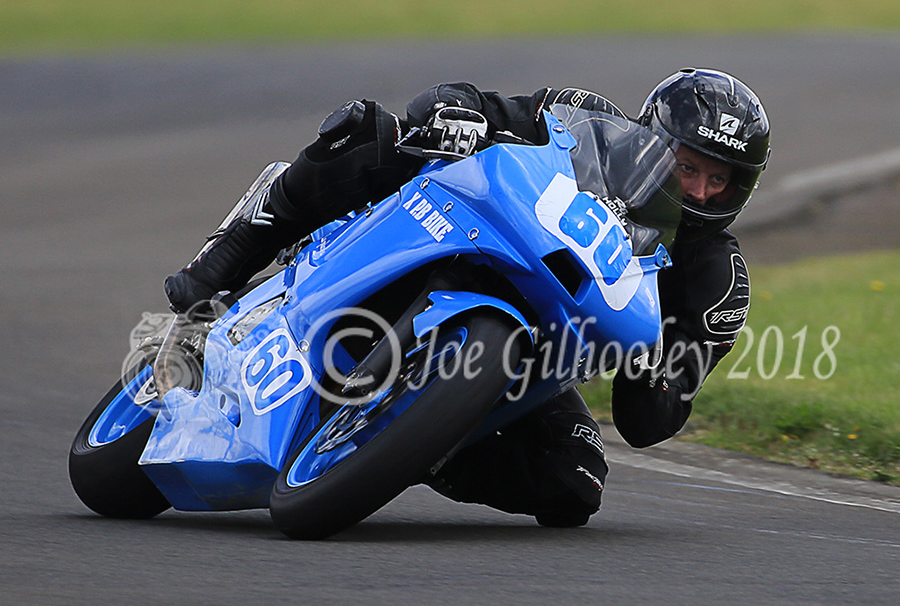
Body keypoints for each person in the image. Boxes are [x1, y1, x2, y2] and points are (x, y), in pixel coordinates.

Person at [164, 68, 770, 527]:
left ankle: (421, 447)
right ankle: (230, 257)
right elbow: (481, 105)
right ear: (653, 141)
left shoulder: (716, 278)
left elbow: (649, 420)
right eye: (689, 167)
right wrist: (456, 112)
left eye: (720, 180)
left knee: (576, 481)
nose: (700, 190)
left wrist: (660, 363)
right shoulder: (585, 124)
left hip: (529, 358)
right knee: (372, 131)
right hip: (463, 238)